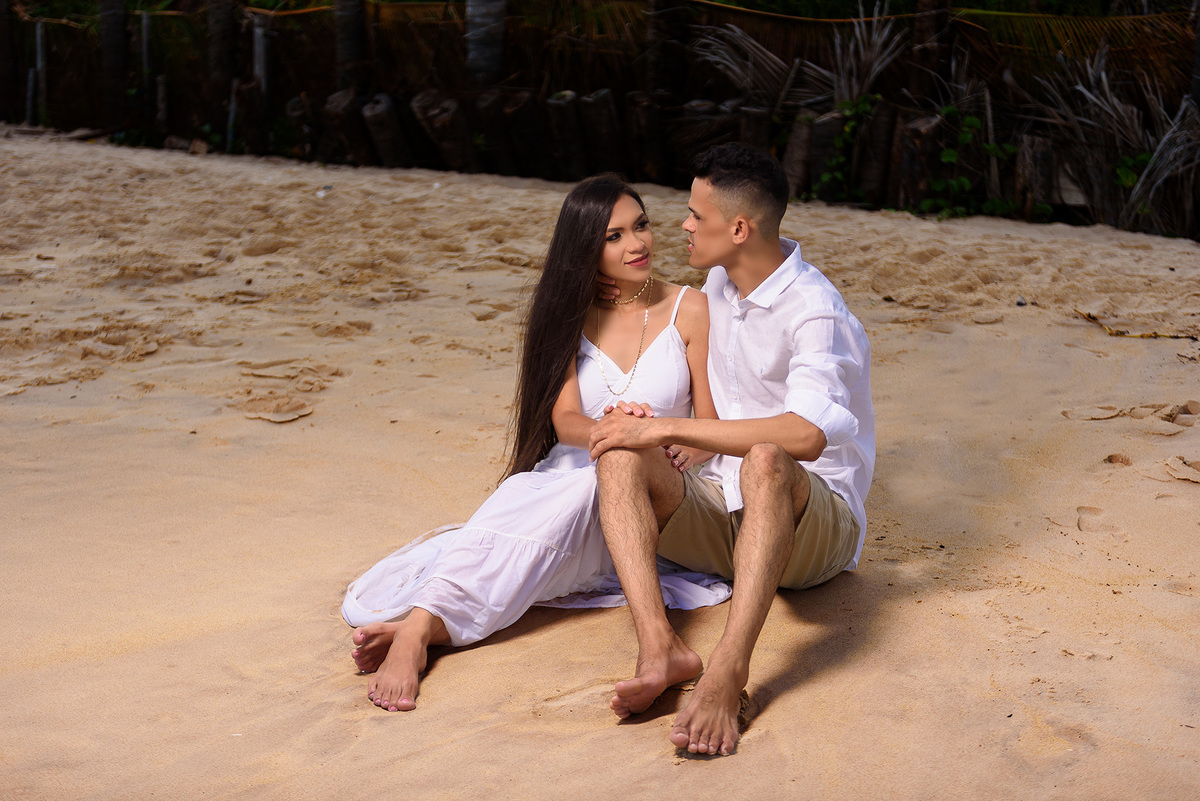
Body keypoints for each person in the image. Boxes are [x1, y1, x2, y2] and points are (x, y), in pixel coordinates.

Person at [342, 174, 729, 713]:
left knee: (568, 503)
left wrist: (675, 440)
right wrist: (609, 428)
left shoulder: (691, 308)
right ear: (585, 249)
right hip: (572, 467)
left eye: (641, 226)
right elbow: (565, 417)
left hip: (652, 484)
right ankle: (424, 626)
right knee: (535, 500)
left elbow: (711, 421)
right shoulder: (568, 316)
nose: (636, 244)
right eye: (613, 236)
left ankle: (421, 625)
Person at [589, 143, 875, 756]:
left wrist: (670, 430)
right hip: (723, 507)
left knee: (769, 455)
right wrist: (640, 418)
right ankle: (659, 647)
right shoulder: (719, 282)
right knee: (617, 444)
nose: (683, 226)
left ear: (739, 228)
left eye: (696, 215)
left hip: (809, 534)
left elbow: (804, 435)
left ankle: (728, 674)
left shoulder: (816, 312)